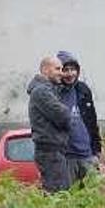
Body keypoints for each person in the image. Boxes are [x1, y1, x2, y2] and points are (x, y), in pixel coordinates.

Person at [56, 51, 105, 184]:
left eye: (73, 69)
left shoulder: (83, 90)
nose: (70, 74)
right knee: (69, 197)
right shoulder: (54, 92)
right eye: (66, 70)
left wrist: (98, 150)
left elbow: (92, 122)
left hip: (87, 154)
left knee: (92, 196)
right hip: (67, 157)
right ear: (59, 72)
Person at [27, 56, 72, 193]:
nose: (62, 73)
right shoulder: (42, 91)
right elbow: (63, 116)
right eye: (57, 69)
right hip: (50, 151)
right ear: (45, 70)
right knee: (59, 194)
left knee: (60, 193)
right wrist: (67, 113)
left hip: (54, 150)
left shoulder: (49, 89)